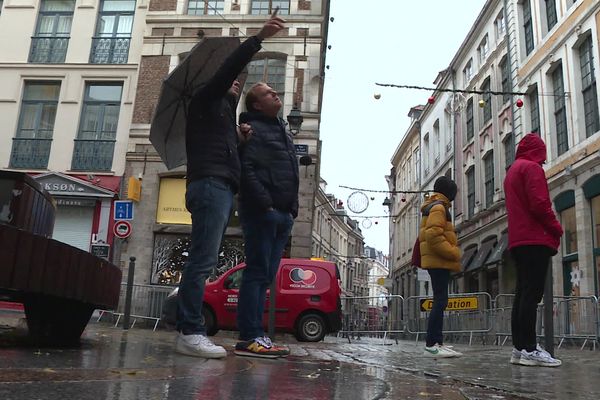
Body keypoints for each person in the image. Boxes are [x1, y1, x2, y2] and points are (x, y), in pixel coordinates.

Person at [175, 16, 286, 358]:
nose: (237, 82)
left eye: (241, 82)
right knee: (202, 260)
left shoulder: (222, 117)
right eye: (234, 81)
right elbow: (227, 70)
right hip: (209, 185)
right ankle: (190, 331)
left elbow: (225, 154)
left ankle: (190, 329)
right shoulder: (205, 99)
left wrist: (238, 141)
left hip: (220, 186)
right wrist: (257, 39)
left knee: (204, 258)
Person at [234, 82, 299, 358]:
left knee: (265, 276)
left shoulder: (280, 129)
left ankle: (257, 336)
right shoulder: (253, 131)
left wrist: (291, 209)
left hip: (282, 214)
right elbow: (246, 170)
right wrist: (267, 205)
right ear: (257, 105)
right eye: (268, 93)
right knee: (257, 273)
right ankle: (249, 337)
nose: (276, 94)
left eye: (275, 91)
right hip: (264, 213)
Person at [504, 133, 563, 367]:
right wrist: (556, 227)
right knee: (531, 295)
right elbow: (540, 203)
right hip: (534, 238)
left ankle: (519, 348)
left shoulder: (513, 171)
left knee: (522, 294)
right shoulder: (532, 168)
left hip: (518, 240)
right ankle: (529, 348)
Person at [419, 176, 462, 358]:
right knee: (440, 301)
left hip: (436, 260)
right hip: (439, 261)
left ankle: (438, 342)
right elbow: (433, 236)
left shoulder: (436, 205)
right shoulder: (439, 207)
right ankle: (433, 343)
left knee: (440, 300)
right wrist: (453, 252)